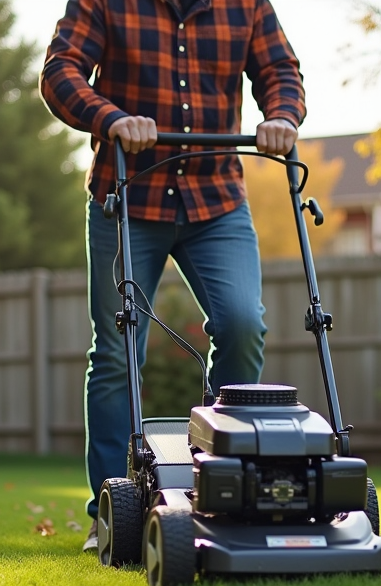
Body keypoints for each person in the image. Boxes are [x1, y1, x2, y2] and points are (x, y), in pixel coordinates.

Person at [40, 0, 306, 550]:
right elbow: (60, 72)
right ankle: (111, 510)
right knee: (117, 351)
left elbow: (280, 69)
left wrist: (282, 116)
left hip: (217, 200)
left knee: (242, 325)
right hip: (127, 195)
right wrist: (110, 118)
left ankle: (222, 479)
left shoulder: (246, 5)